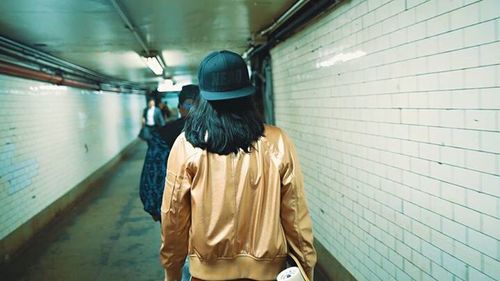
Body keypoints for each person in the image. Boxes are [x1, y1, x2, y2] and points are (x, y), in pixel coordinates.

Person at [160, 50, 317, 281]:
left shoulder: (186, 145)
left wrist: (171, 271)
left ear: (204, 97)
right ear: (248, 94)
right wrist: (305, 268)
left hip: (205, 274)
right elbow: (295, 213)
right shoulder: (277, 142)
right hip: (268, 273)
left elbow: (173, 217)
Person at [139, 97, 167, 221]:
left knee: (155, 146)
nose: (151, 104)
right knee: (153, 146)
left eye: (152, 102)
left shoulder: (156, 111)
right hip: (149, 128)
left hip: (155, 127)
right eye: (150, 102)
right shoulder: (146, 110)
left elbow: (160, 119)